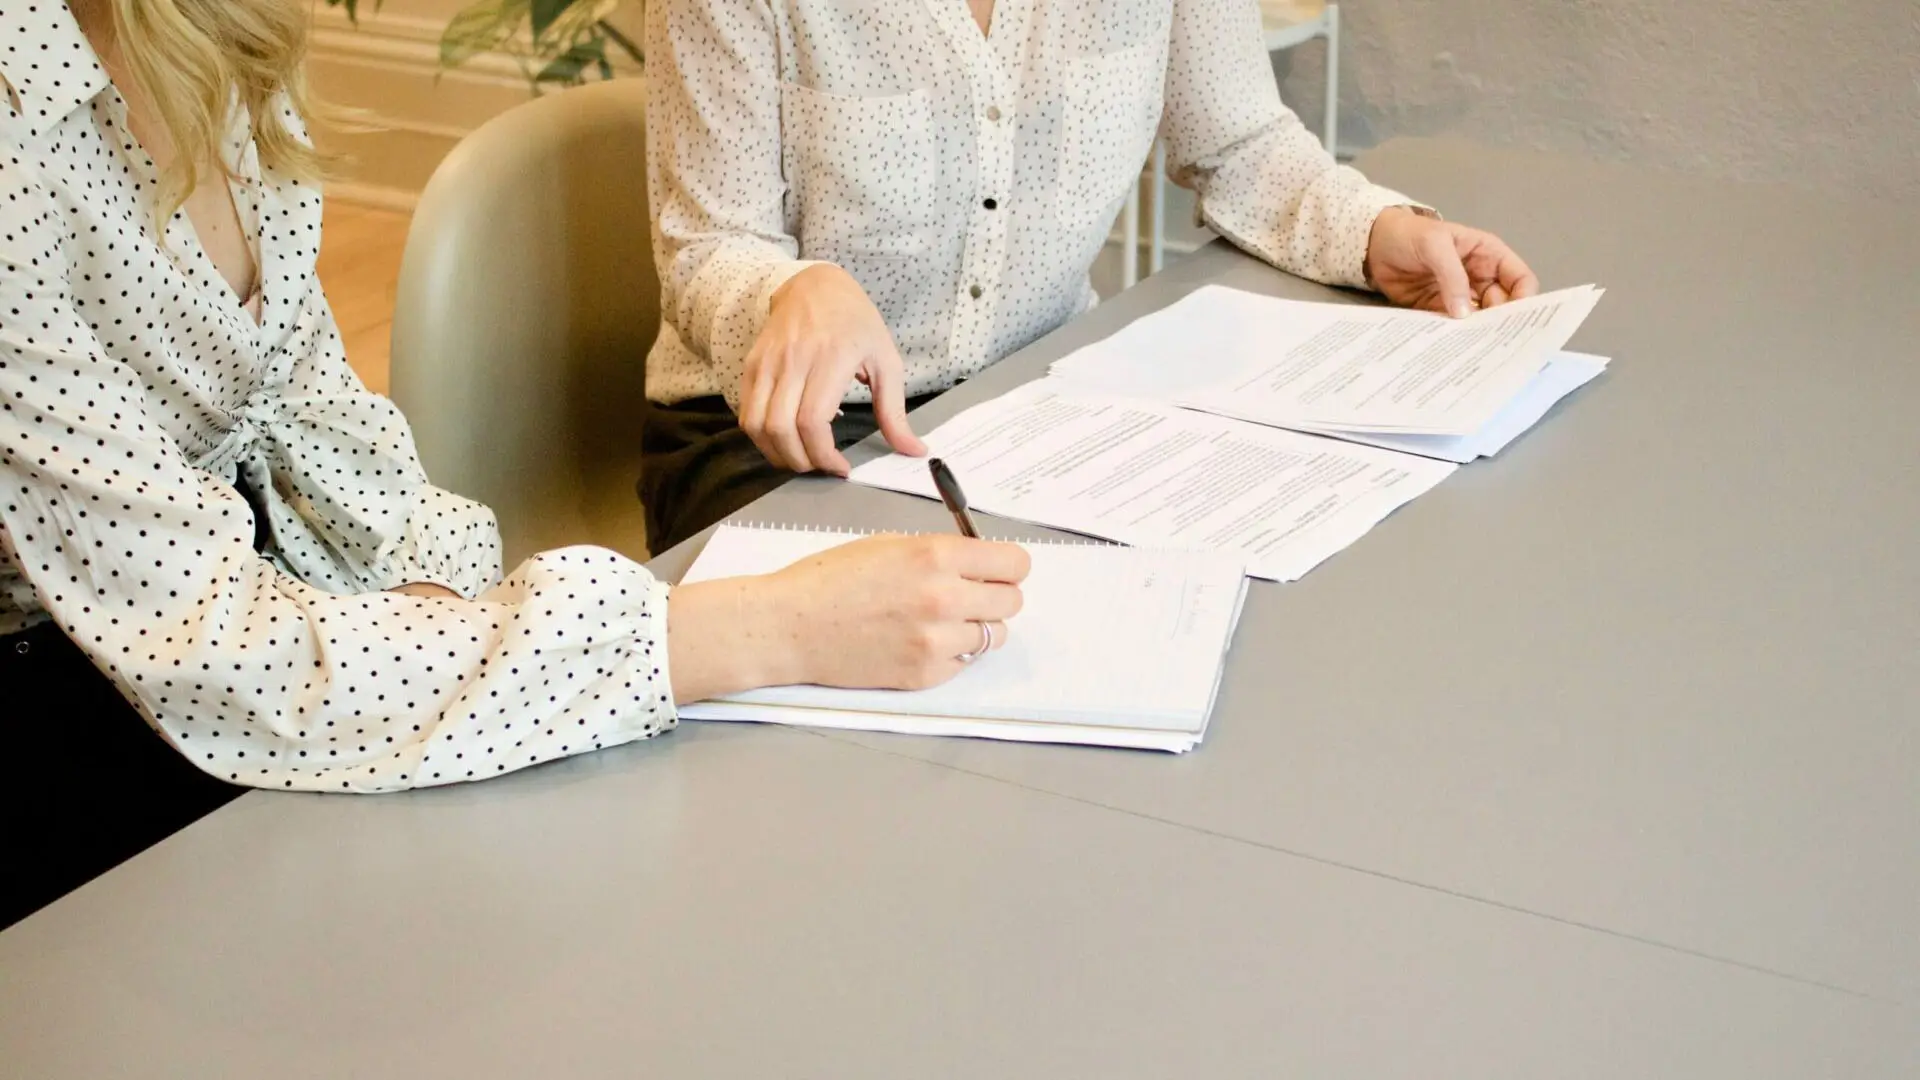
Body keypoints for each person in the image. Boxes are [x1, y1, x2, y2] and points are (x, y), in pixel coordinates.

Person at [0, 0, 1030, 931]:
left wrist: (444, 606)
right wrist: (767, 628)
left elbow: (315, 420)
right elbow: (216, 648)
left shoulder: (217, 36)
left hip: (245, 617)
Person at [641, 0, 1543, 550]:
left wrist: (1375, 229)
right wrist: (789, 293)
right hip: (773, 437)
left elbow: (1239, 143)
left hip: (1033, 409)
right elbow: (708, 243)